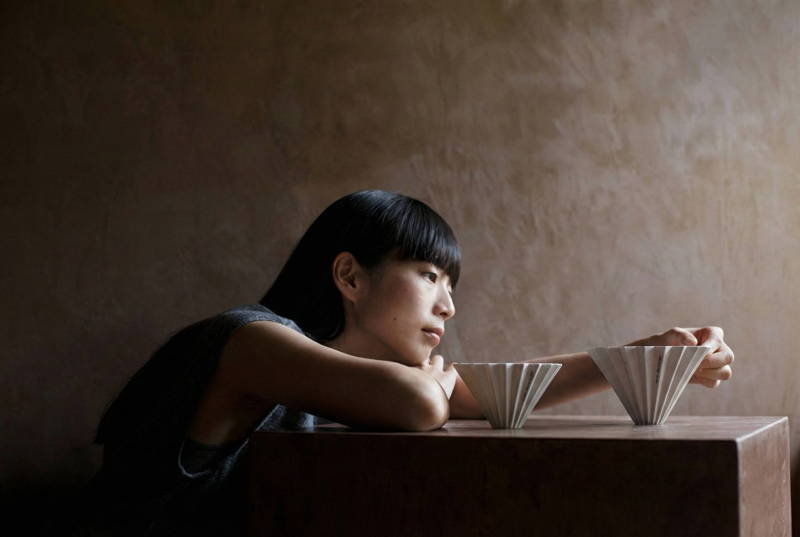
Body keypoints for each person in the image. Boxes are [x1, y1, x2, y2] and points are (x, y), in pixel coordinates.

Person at [74, 189, 734, 536]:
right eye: (429, 274)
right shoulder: (249, 341)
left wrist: (645, 357)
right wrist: (431, 386)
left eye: (453, 286)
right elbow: (421, 404)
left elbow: (489, 390)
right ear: (349, 277)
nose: (448, 306)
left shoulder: (332, 379)